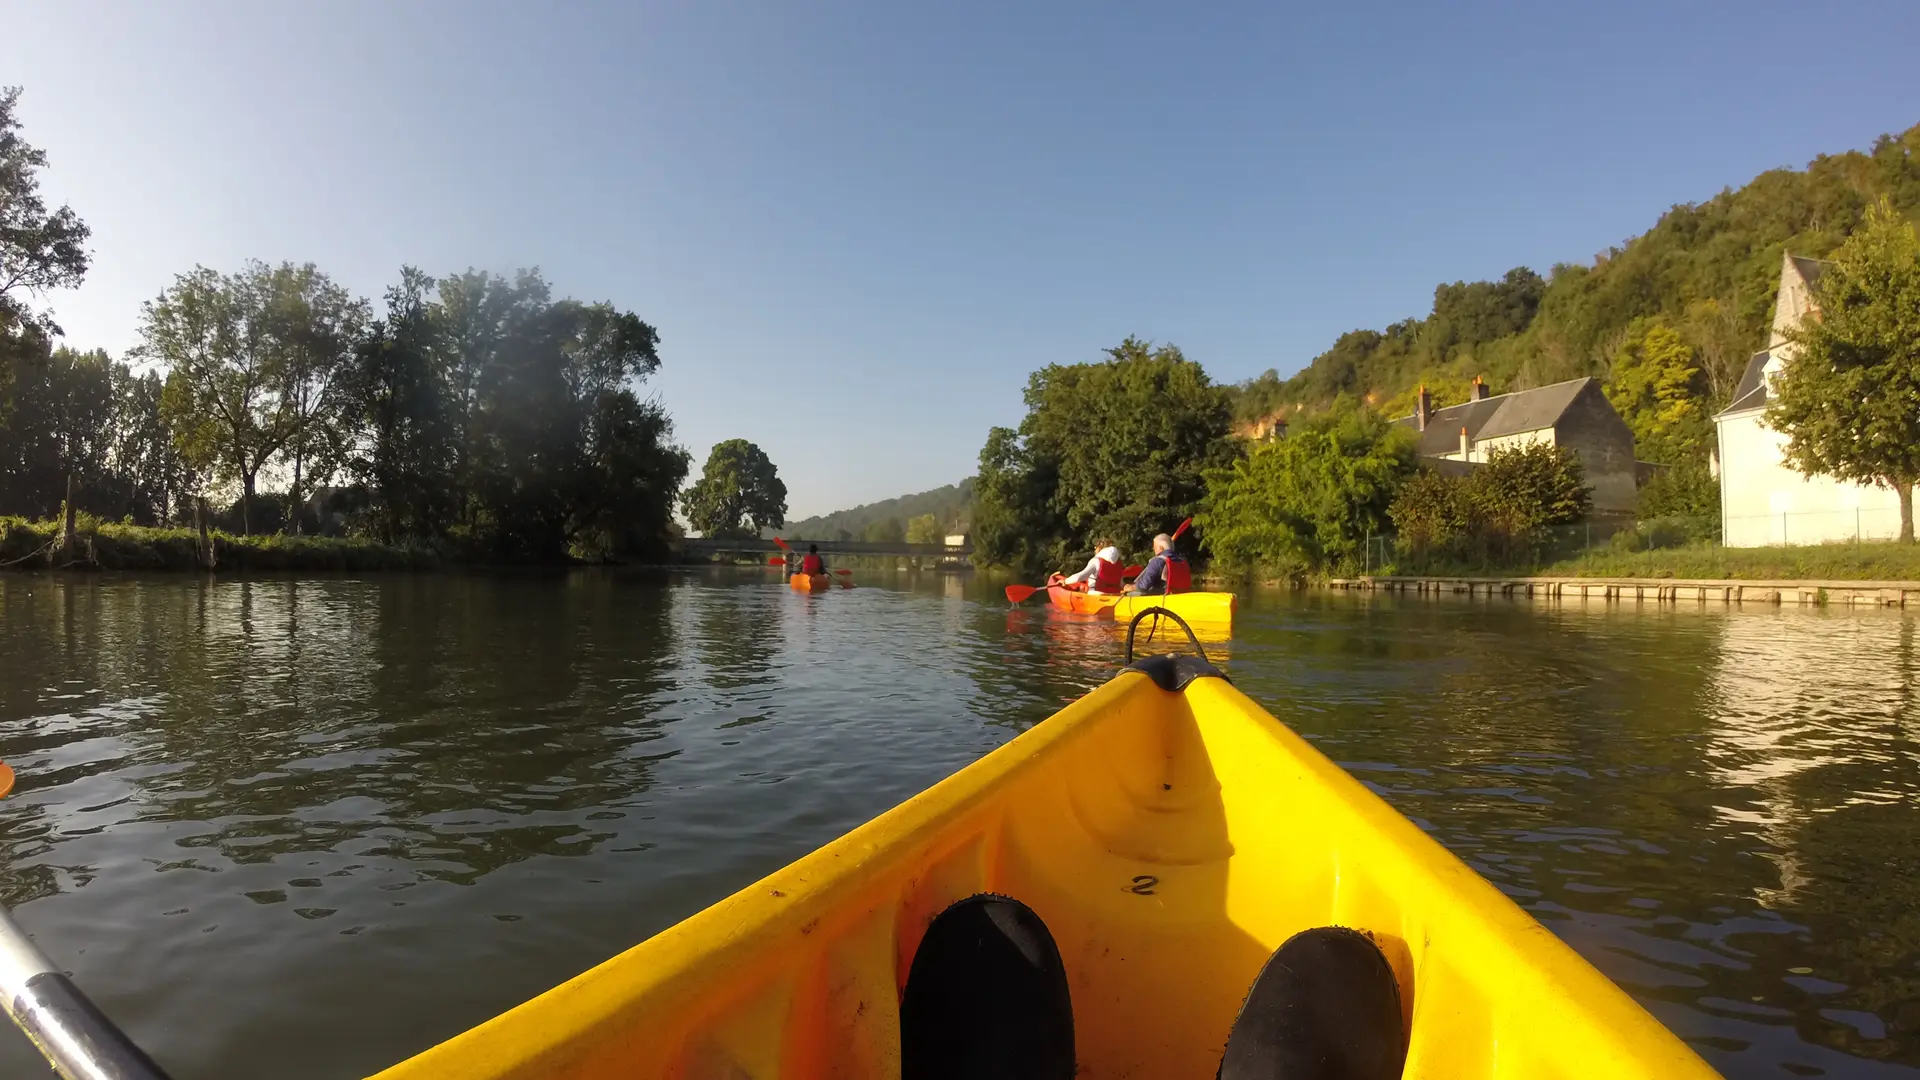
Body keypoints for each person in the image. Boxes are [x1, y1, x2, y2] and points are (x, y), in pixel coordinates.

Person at [1054, 540, 1124, 595]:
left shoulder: (1096, 561)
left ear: (1100, 548)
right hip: (1115, 595)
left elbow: (1079, 577)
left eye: (1095, 547)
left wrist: (1065, 582)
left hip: (1096, 595)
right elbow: (1121, 585)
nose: (1094, 550)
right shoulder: (1118, 563)